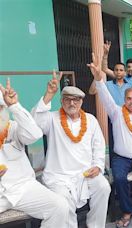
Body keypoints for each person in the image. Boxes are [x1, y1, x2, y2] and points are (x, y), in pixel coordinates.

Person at [32, 70, 111, 228]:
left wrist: (98, 166)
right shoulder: (52, 118)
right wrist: (48, 94)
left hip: (85, 173)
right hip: (59, 176)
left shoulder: (91, 120)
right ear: (61, 101)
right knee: (62, 201)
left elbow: (98, 146)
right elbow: (34, 122)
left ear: (81, 102)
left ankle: (95, 225)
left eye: (76, 100)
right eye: (68, 100)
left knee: (103, 187)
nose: (72, 104)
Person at [88, 53, 132, 226]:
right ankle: (127, 211)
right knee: (119, 179)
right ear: (124, 100)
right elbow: (104, 96)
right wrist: (98, 79)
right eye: (129, 99)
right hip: (121, 158)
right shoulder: (116, 113)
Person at [0, 79, 69, 227]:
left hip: (22, 188)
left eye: (0, 108)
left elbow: (34, 134)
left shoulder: (12, 127)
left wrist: (15, 106)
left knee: (60, 206)